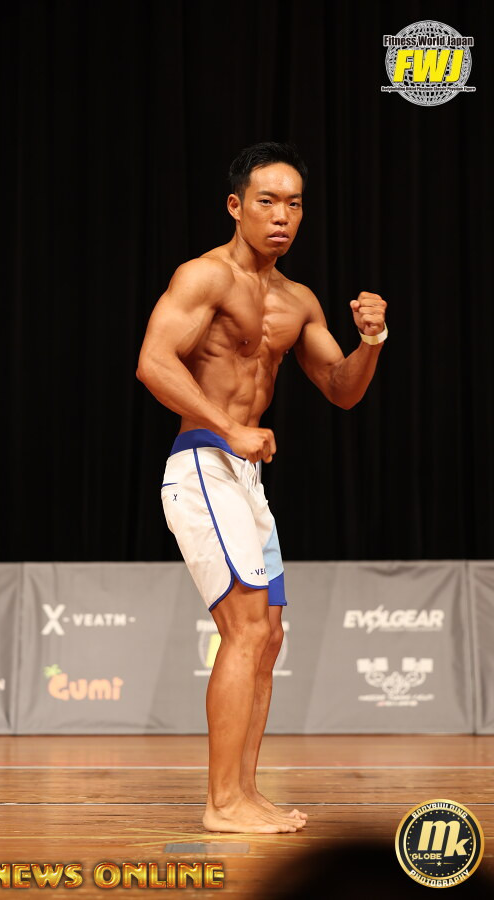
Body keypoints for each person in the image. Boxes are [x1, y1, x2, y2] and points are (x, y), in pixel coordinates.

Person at [136, 141, 387, 834]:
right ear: (235, 205)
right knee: (245, 627)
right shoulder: (204, 278)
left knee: (268, 635)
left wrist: (371, 341)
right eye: (267, 201)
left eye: (294, 204)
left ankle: (245, 794)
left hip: (245, 478)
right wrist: (228, 428)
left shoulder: (297, 301)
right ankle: (221, 804)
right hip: (202, 465)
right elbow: (153, 362)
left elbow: (340, 389)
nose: (282, 215)